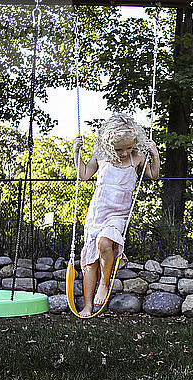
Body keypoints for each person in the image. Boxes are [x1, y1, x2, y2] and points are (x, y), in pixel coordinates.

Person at [72, 113, 160, 317]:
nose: (124, 152)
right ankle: (87, 306)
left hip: (118, 215)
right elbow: (84, 175)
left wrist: (154, 155)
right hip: (97, 213)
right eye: (119, 149)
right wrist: (76, 153)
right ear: (109, 144)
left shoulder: (136, 157)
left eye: (128, 147)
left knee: (105, 243)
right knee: (90, 262)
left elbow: (153, 175)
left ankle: (105, 283)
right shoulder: (100, 156)